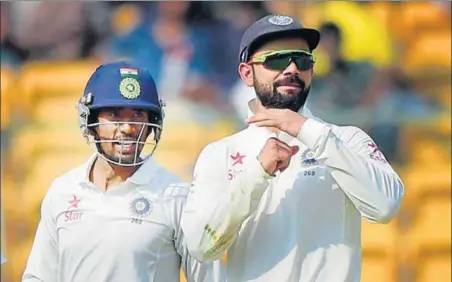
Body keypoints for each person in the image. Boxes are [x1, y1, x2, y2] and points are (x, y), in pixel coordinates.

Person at [180, 15, 405, 282]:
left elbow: (386, 206)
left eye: (302, 60)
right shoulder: (220, 153)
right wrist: (255, 173)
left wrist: (308, 131)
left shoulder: (347, 139)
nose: (291, 69)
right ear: (246, 73)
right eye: (276, 60)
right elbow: (200, 246)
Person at [22, 62, 225, 282]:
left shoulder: (177, 196)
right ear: (91, 122)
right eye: (114, 114)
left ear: (151, 123)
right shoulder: (62, 191)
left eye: (138, 114)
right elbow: (38, 277)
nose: (128, 128)